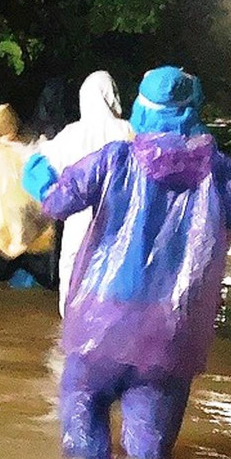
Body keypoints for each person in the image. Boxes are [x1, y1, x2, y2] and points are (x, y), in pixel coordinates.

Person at [20, 66, 231, 459]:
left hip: (100, 327)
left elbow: (55, 199)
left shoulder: (114, 160)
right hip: (169, 334)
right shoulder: (217, 172)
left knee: (83, 454)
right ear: (193, 111)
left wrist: (34, 168)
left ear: (141, 109)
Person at [28, 71, 134, 315]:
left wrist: (54, 201)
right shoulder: (130, 131)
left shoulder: (71, 134)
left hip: (79, 228)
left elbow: (35, 170)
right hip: (122, 230)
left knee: (74, 295)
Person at [0, 78, 70, 289]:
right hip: (52, 202)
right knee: (47, 254)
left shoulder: (32, 132)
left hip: (30, 198)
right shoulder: (66, 131)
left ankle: (12, 267)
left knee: (21, 243)